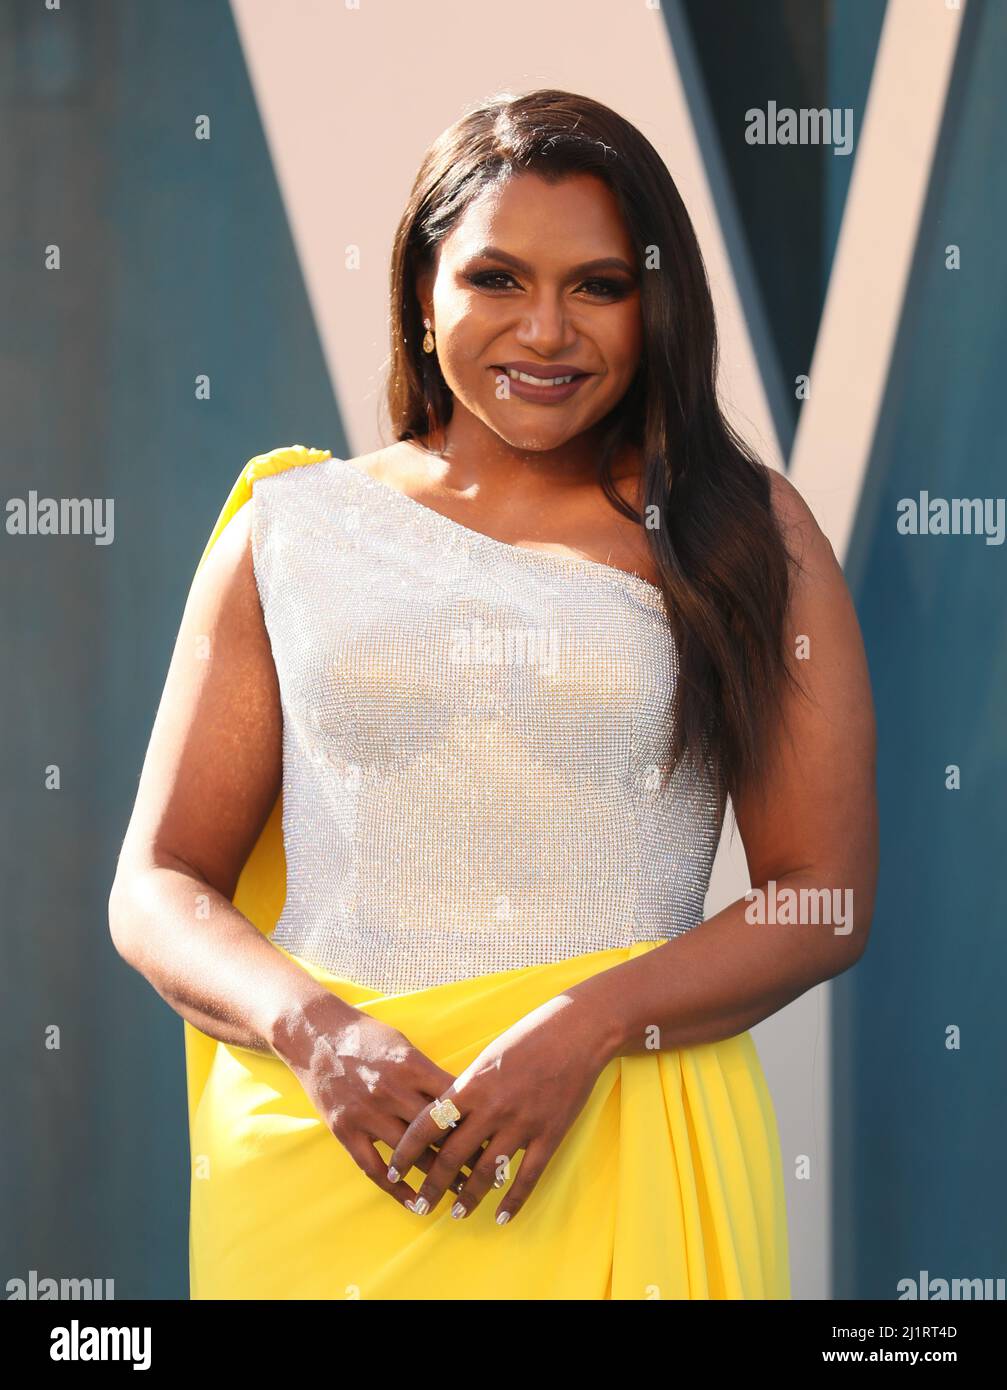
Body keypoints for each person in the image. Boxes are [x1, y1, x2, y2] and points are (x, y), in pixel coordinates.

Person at [108, 88, 877, 1300]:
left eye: (599, 286)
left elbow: (822, 898)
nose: (547, 331)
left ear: (654, 303)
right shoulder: (291, 528)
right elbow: (157, 887)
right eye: (497, 279)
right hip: (328, 1160)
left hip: (619, 1138)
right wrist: (318, 1037)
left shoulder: (735, 533)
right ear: (423, 293)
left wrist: (591, 1025)